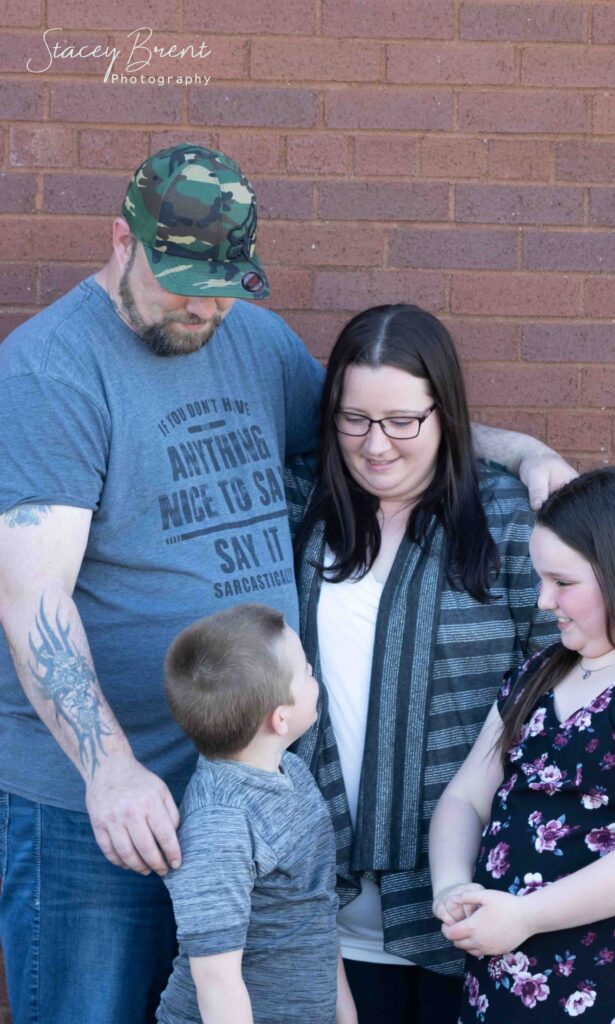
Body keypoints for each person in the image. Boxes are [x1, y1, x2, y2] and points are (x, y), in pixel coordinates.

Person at [0, 142, 573, 1024]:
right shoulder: (51, 370)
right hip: (98, 805)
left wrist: (525, 454)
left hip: (240, 787)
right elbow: (31, 598)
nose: (200, 305)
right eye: (180, 278)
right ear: (122, 240)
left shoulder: (254, 342)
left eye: (221, 284)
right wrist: (109, 772)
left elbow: (377, 428)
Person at [284, 304, 561, 1024]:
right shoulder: (296, 507)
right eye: (354, 419)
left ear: (444, 412)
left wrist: (524, 452)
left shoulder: (505, 519)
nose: (375, 445)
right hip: (324, 907)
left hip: (472, 906)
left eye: (401, 421)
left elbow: (564, 690)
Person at [430, 466, 615, 1022]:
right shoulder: (540, 674)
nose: (545, 601)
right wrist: (452, 884)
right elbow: (466, 797)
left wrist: (527, 915)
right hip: (503, 980)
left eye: (563, 582)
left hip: (611, 988)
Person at [158, 603, 356, 1024]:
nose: (313, 677)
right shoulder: (221, 823)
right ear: (280, 718)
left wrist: (344, 1012)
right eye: (305, 671)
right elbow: (216, 980)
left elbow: (313, 907)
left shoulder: (293, 772)